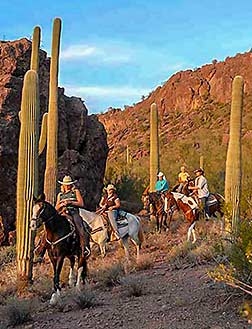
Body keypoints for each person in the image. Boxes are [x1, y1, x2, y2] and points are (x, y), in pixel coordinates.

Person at [55, 175, 91, 257]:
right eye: (65, 184)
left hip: (73, 212)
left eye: (68, 184)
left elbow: (81, 203)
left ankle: (84, 247)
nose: (67, 186)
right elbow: (56, 207)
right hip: (63, 212)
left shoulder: (75, 192)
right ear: (63, 185)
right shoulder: (60, 195)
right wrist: (61, 205)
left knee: (79, 226)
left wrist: (71, 203)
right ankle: (43, 248)